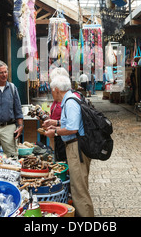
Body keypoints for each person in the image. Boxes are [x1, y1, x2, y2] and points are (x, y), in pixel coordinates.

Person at [44, 74, 94, 217]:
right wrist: (56, 123)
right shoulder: (70, 98)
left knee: (79, 189)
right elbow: (71, 123)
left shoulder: (70, 102)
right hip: (74, 145)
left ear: (57, 90)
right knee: (78, 185)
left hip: (76, 147)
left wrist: (55, 132)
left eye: (52, 90)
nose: (51, 93)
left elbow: (73, 129)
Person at [42, 67, 69, 162]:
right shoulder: (57, 99)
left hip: (65, 137)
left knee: (64, 163)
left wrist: (55, 126)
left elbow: (71, 124)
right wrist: (47, 118)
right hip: (57, 136)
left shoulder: (68, 100)